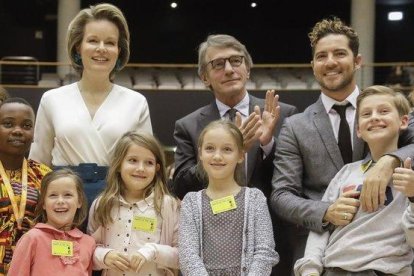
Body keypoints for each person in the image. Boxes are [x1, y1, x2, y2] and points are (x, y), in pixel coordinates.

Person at [270, 17, 414, 274]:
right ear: (313, 66)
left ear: (358, 61)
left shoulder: (384, 108)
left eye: (339, 53)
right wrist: (327, 212)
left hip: (389, 245)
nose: (331, 62)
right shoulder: (295, 126)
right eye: (322, 56)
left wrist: (389, 160)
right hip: (323, 245)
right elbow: (282, 196)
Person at [29, 3, 152, 209]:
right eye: (93, 40)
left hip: (116, 200)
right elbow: (38, 164)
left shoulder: (136, 102)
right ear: (78, 46)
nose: (101, 48)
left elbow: (144, 163)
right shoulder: (52, 99)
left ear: (119, 51)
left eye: (110, 42)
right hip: (63, 203)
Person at [294, 85, 414, 276]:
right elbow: (323, 226)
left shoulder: (410, 176)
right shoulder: (346, 172)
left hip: (383, 270)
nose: (374, 117)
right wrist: (310, 268)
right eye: (366, 114)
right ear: (358, 130)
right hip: (332, 269)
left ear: (404, 121)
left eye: (383, 111)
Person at [172, 34, 297, 201]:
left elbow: (294, 180)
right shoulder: (187, 126)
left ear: (248, 70)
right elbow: (181, 188)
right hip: (213, 224)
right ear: (204, 78)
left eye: (236, 61)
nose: (229, 70)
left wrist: (268, 144)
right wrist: (229, 149)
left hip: (272, 224)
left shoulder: (284, 115)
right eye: (218, 64)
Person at [179, 120, 279, 275]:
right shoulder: (191, 202)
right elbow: (188, 256)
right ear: (200, 154)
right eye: (210, 148)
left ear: (240, 155)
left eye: (227, 149)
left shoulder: (255, 199)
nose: (217, 156)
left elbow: (264, 252)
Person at [87, 131, 179, 276]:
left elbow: (181, 256)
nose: (140, 168)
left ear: (157, 168)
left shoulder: (168, 205)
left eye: (149, 163)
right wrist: (104, 256)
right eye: (133, 160)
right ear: (118, 164)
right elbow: (87, 251)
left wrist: (153, 251)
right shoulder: (102, 204)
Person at [8, 169, 95, 275]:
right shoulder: (32, 239)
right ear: (43, 203)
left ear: (79, 201)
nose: (60, 201)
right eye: (53, 195)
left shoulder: (89, 243)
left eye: (68, 195)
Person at [0, 97, 51, 275]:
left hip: (32, 267)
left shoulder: (44, 176)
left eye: (26, 126)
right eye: (8, 124)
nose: (17, 131)